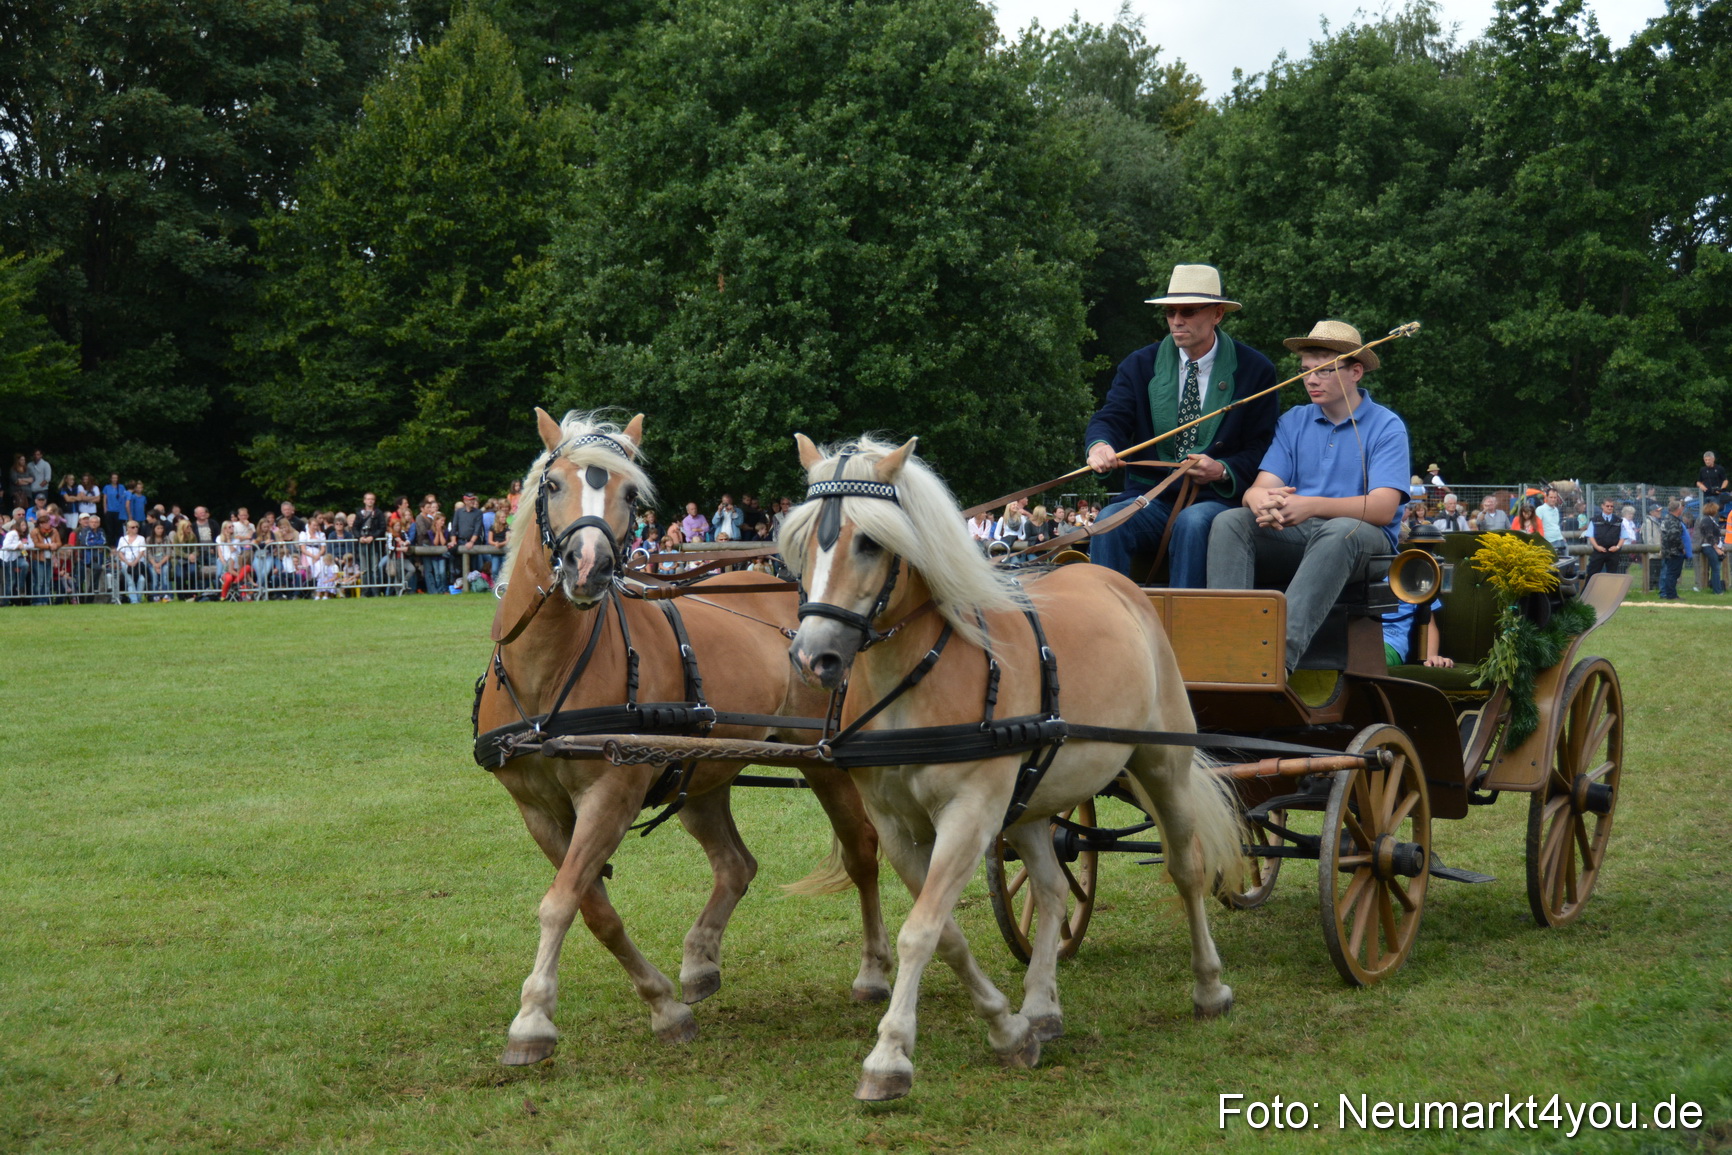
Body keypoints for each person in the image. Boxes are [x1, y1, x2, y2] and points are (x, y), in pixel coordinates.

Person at [1207, 319, 1410, 672]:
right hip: (1301, 534)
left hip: (1364, 541)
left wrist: (1311, 505)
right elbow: (1259, 488)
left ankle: (1271, 662)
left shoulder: (1386, 425)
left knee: (1338, 532)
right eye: (1305, 371)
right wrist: (1258, 501)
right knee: (1228, 522)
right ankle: (1229, 653)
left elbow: (1382, 508)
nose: (1311, 380)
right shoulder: (1294, 421)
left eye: (1324, 370)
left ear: (1355, 371)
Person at [1084, 265, 1278, 588]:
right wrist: (1101, 445)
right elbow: (1111, 418)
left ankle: (1185, 633)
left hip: (1216, 501)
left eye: (1187, 311)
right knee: (1108, 521)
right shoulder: (1138, 365)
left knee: (1193, 522)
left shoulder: (1256, 370)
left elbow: (1263, 447)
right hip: (1151, 497)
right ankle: (1108, 628)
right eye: (1170, 312)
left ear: (1218, 314)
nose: (1176, 321)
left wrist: (1222, 470)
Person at [1585, 497, 1625, 576]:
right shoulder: (1595, 520)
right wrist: (1597, 547)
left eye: (1611, 506)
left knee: (1612, 576)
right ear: (1602, 506)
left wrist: (1617, 547)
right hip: (1599, 551)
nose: (1610, 508)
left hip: (1613, 552)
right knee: (1592, 574)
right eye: (1607, 506)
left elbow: (1623, 536)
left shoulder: (1618, 521)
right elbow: (1590, 535)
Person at [1658, 498, 1687, 600]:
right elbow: (1674, 537)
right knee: (1673, 574)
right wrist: (1682, 548)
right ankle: (1671, 595)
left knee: (1669, 572)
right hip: (1674, 552)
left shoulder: (1665, 519)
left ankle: (1668, 593)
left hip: (1667, 551)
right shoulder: (1673, 521)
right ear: (1678, 509)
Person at [1695, 501, 1725, 595]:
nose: (1717, 511)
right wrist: (1717, 548)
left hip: (1712, 546)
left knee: (1716, 568)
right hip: (1709, 546)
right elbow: (1709, 536)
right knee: (1716, 568)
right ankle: (1717, 590)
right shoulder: (1707, 520)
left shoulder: (1711, 520)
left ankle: (1717, 588)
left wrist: (1720, 545)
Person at [1535, 489, 1565, 553]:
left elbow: (1556, 525)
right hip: (1549, 541)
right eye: (1551, 497)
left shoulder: (1556, 510)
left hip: (1560, 539)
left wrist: (1562, 537)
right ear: (1546, 497)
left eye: (1555, 497)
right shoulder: (1540, 509)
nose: (1553, 499)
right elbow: (1537, 526)